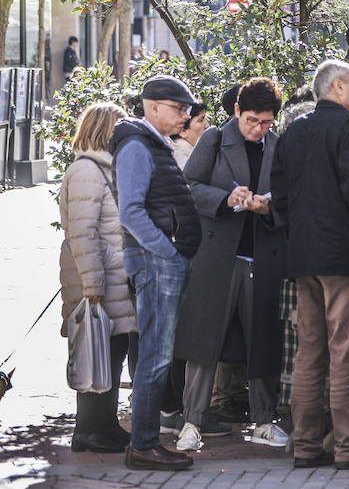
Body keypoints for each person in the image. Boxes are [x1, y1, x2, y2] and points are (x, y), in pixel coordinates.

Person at [271, 60, 349, 471]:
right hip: (347, 258)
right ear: (338, 87)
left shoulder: (295, 130)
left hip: (305, 257)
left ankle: (305, 444)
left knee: (310, 353)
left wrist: (296, 237)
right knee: (347, 353)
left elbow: (280, 195)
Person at [173, 78, 287, 451]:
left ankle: (265, 421)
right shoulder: (215, 139)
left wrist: (269, 207)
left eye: (267, 122)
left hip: (262, 256)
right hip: (218, 256)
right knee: (204, 342)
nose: (259, 129)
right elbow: (189, 187)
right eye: (253, 120)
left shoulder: (277, 144)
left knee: (264, 342)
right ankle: (192, 422)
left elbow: (288, 199)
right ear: (237, 111)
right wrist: (228, 199)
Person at [113, 75, 204, 471]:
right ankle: (144, 445)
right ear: (152, 107)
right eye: (178, 108)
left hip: (159, 260)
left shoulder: (150, 143)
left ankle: (146, 443)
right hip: (155, 262)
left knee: (157, 355)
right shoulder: (136, 145)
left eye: (187, 109)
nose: (185, 115)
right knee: (154, 357)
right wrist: (167, 252)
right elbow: (130, 211)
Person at [60, 102, 137, 453]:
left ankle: (104, 425)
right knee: (95, 352)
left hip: (112, 281)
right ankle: (88, 430)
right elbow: (83, 233)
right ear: (104, 129)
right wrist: (93, 286)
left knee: (111, 352)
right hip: (96, 284)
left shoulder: (106, 168)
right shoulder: (87, 171)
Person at [170, 103, 209, 168]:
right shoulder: (179, 160)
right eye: (200, 120)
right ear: (182, 131)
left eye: (207, 120)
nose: (207, 125)